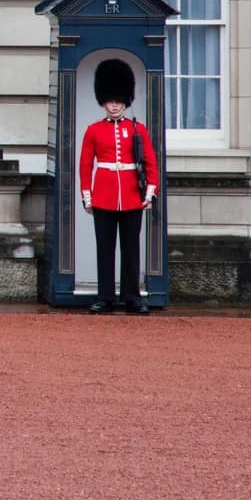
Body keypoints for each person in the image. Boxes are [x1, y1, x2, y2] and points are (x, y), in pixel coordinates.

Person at [79, 58, 160, 315]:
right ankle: (105, 297)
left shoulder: (138, 129)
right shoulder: (93, 130)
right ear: (103, 101)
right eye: (110, 101)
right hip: (103, 195)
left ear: (125, 100)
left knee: (131, 249)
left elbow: (150, 163)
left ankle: (131, 297)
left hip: (131, 195)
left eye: (118, 100)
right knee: (105, 249)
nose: (114, 105)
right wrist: (87, 196)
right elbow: (85, 165)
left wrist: (149, 193)